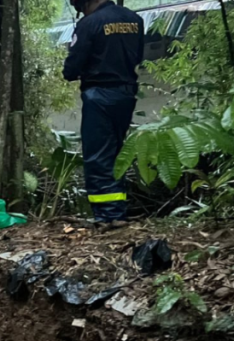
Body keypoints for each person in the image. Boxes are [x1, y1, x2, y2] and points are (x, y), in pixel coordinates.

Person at [63, 0, 144, 224]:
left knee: (98, 157)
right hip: (126, 94)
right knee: (116, 153)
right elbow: (137, 56)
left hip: (99, 95)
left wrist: (74, 70)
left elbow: (72, 68)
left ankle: (108, 216)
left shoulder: (89, 24)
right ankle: (117, 210)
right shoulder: (134, 20)